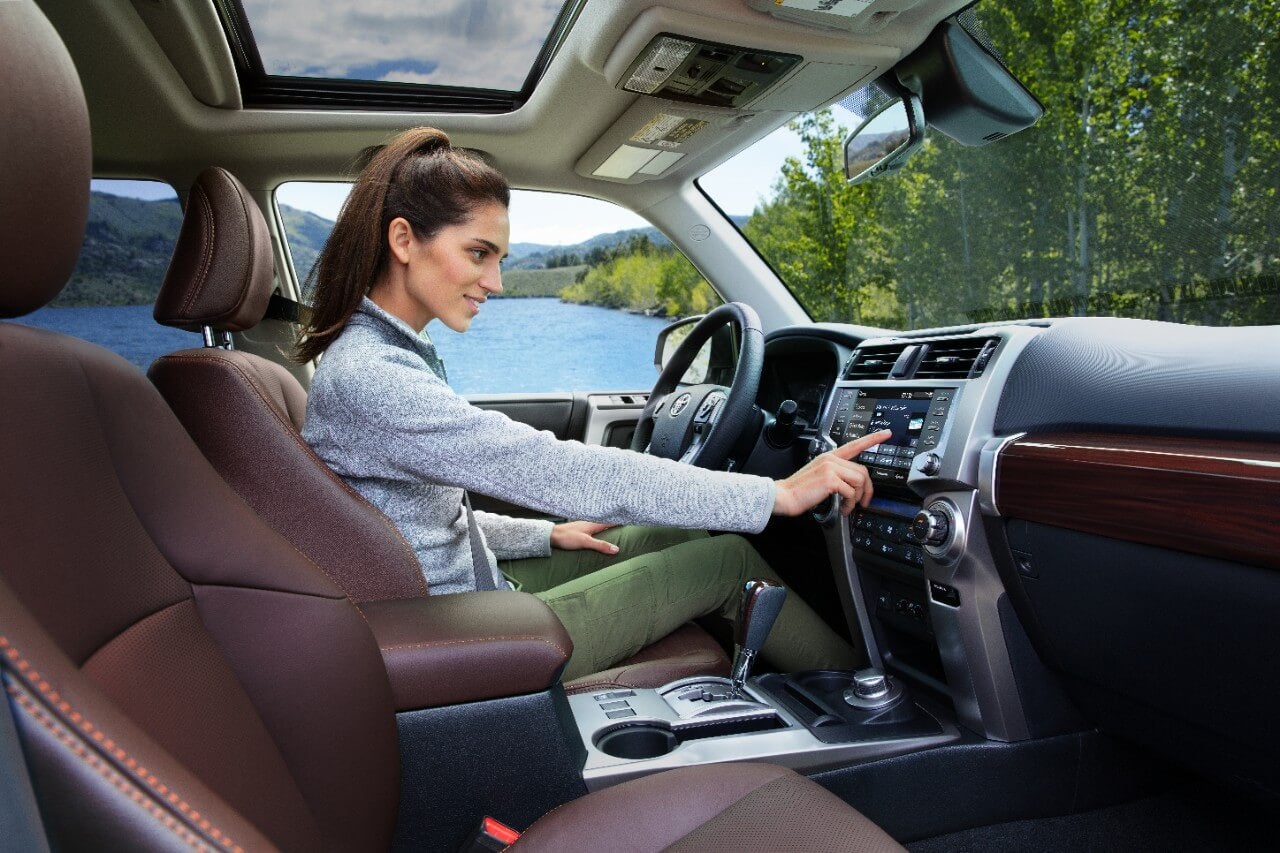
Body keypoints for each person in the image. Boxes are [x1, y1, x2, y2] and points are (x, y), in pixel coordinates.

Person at [298, 127, 891, 681]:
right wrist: (777, 493)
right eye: (479, 253)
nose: (497, 282)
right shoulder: (372, 375)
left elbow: (415, 523)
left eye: (499, 258)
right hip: (461, 635)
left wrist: (544, 537)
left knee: (676, 535)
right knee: (729, 561)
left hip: (467, 595)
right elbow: (546, 469)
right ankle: (875, 706)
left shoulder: (387, 352)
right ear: (404, 240)